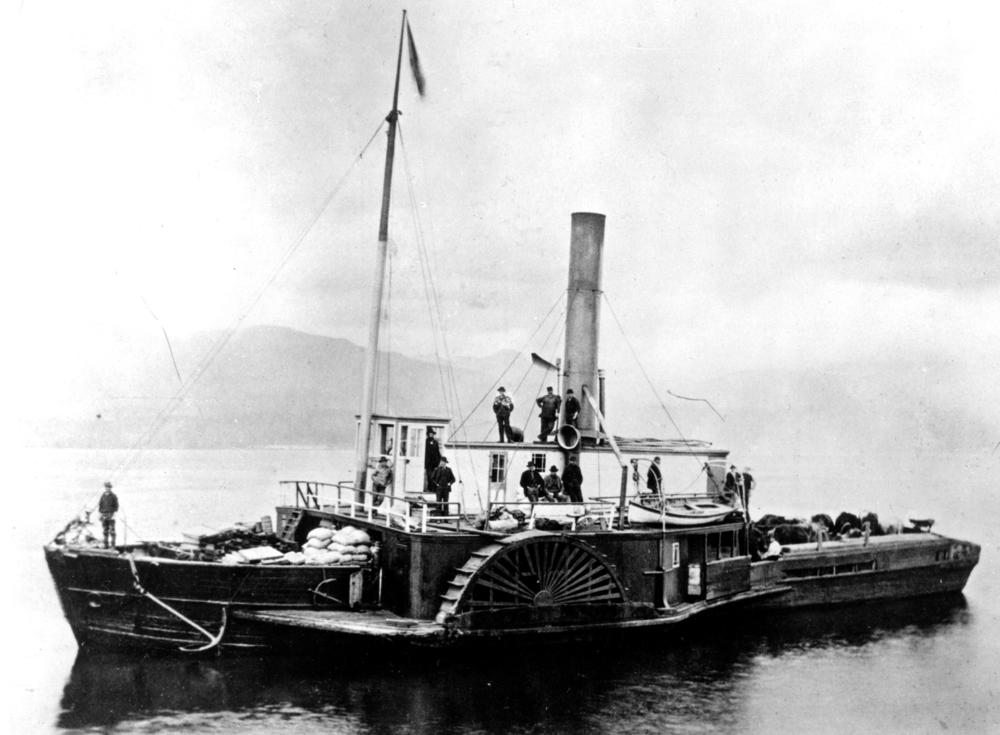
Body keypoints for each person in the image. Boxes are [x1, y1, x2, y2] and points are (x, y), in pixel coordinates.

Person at [98, 481, 119, 548]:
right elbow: (100, 505)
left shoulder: (113, 496)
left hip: (111, 515)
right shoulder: (103, 495)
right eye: (106, 487)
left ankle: (113, 546)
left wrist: (114, 515)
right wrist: (100, 514)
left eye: (109, 487)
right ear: (105, 488)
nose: (108, 488)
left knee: (112, 531)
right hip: (104, 515)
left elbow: (116, 506)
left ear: (110, 488)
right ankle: (106, 545)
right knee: (105, 531)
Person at [424, 428, 441, 493]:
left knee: (434, 475)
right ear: (428, 435)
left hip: (435, 462)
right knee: (429, 475)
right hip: (428, 462)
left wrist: (440, 459)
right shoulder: (425, 442)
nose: (431, 435)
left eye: (432, 434)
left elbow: (437, 451)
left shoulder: (435, 442)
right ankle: (429, 488)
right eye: (429, 434)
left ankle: (434, 489)